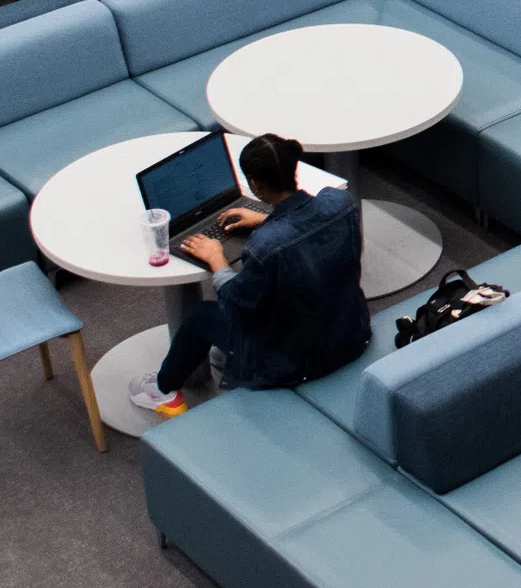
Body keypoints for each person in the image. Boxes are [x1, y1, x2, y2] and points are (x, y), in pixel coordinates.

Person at [131, 134, 369, 419]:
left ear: (255, 185)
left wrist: (217, 260)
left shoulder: (265, 246)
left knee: (201, 316)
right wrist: (269, 218)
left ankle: (162, 389)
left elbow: (235, 305)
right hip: (350, 333)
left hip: (297, 362)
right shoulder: (341, 202)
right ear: (293, 170)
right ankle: (225, 355)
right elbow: (309, 224)